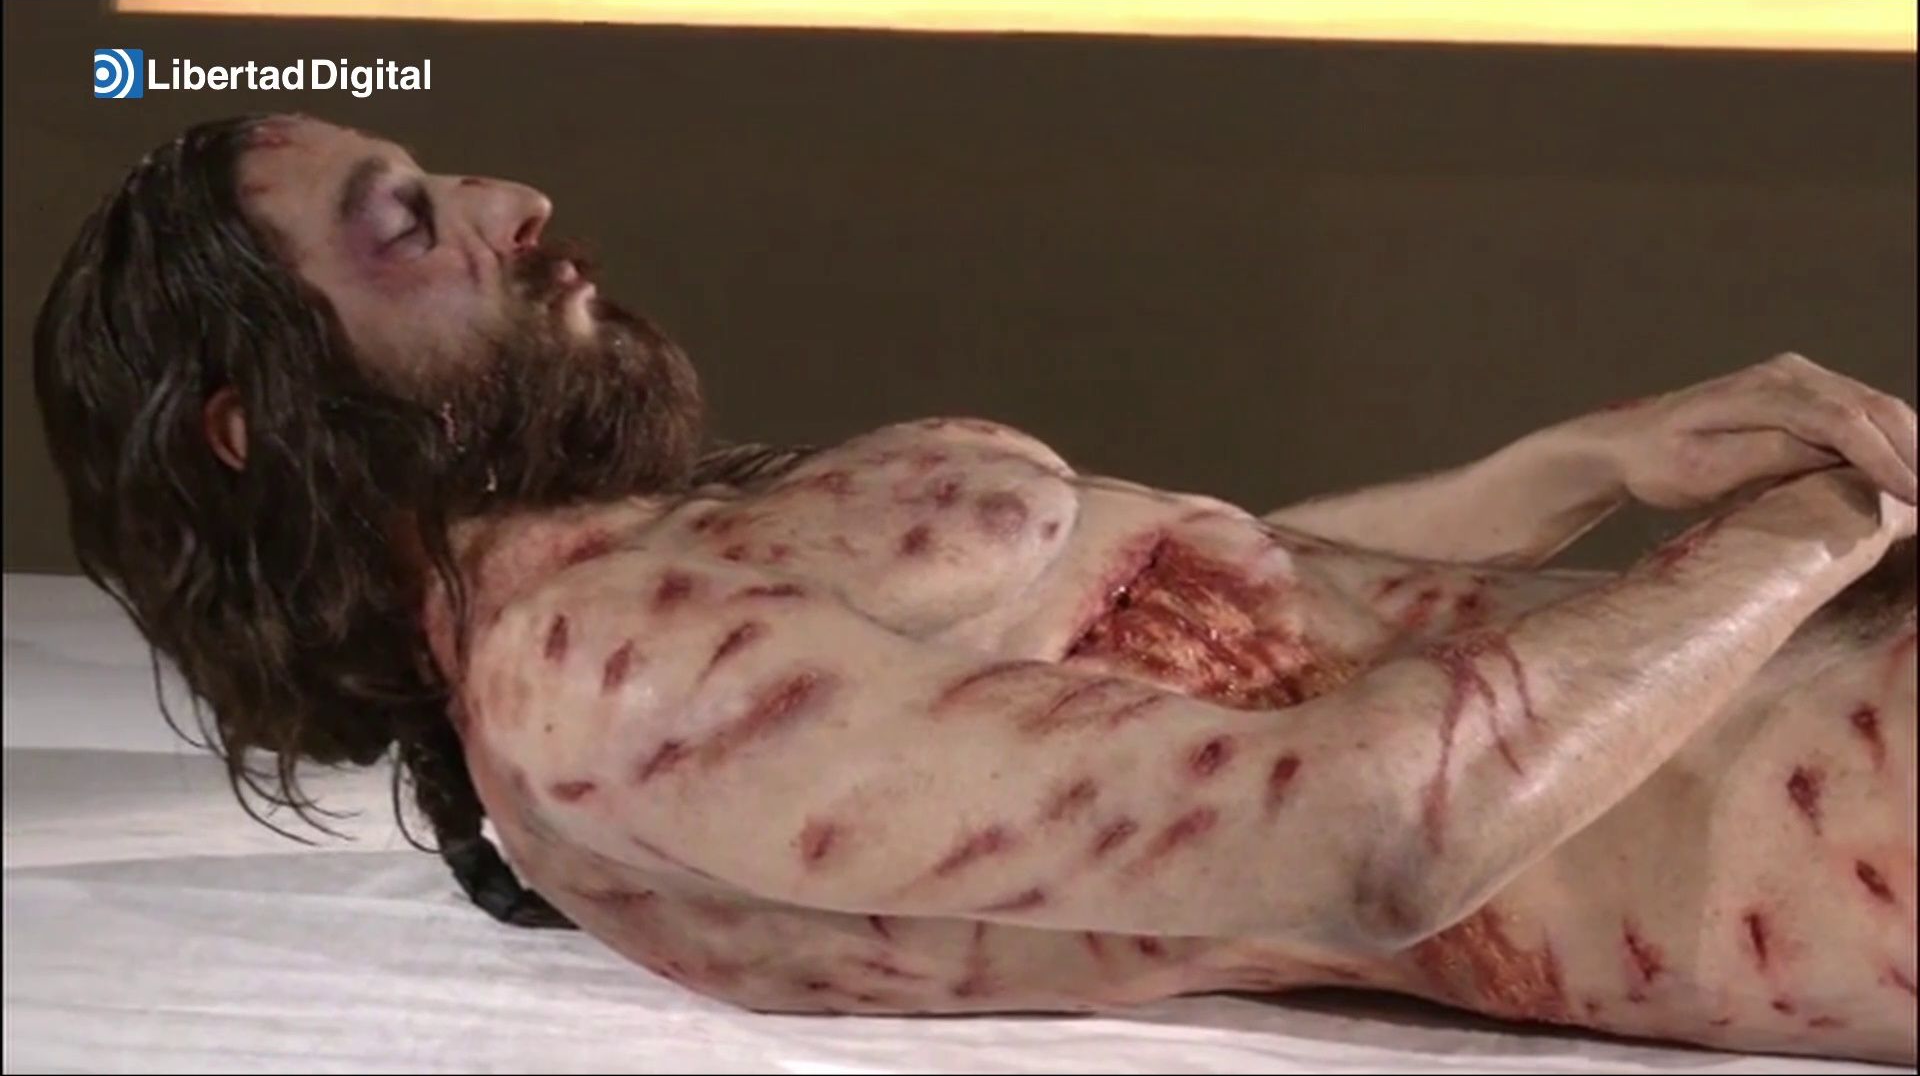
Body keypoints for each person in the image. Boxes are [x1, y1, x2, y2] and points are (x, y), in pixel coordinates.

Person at [32, 114, 1916, 1065]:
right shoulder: (598, 682)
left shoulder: (648, 577)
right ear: (251, 427)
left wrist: (1588, 467)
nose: (512, 202)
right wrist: (1821, 524)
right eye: (408, 224)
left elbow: (1220, 623)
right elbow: (1366, 834)